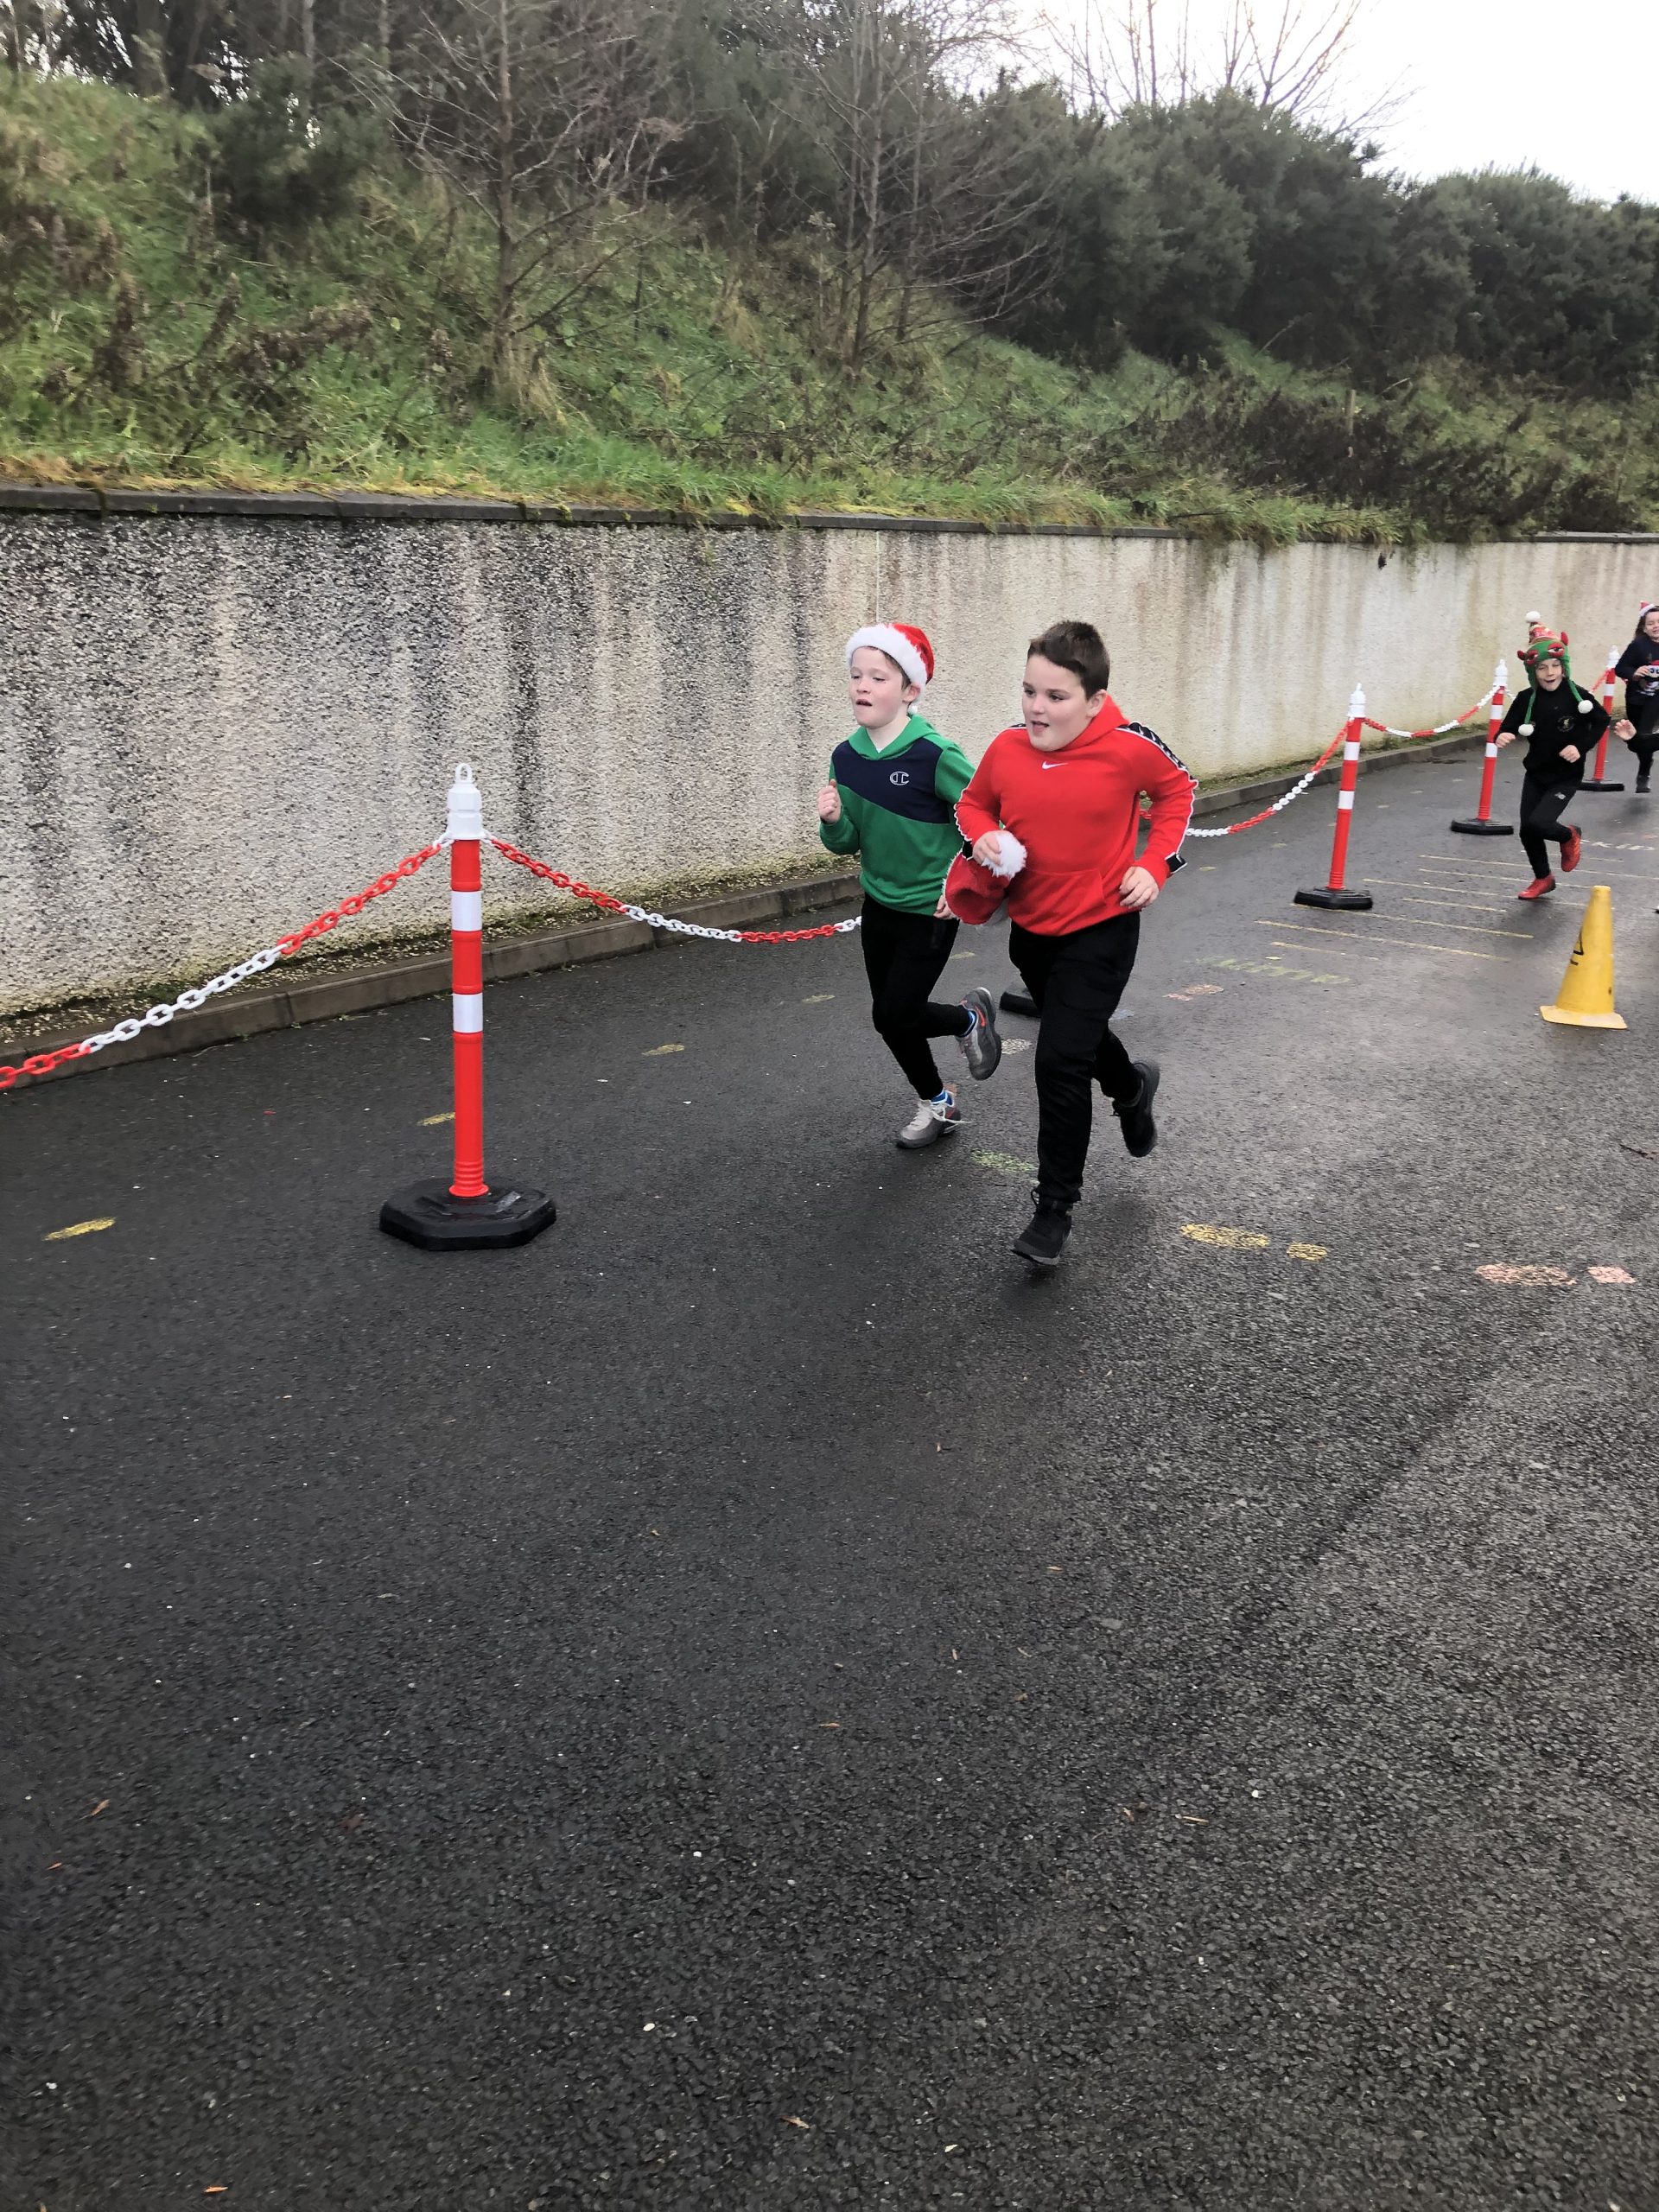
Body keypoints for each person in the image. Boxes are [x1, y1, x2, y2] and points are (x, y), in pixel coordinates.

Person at [946, 619, 1196, 1269]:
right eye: (1029, 691)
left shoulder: (1130, 745)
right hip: (1033, 933)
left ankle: (1053, 1208)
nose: (1037, 707)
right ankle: (1131, 1088)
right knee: (1075, 1037)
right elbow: (971, 805)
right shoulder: (1007, 749)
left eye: (1056, 696)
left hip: (1104, 929)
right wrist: (982, 834)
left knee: (1058, 1060)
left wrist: (1156, 864)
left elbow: (1178, 791)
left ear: (1093, 700)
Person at [817, 622, 1001, 1148]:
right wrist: (833, 821)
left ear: (910, 690)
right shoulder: (845, 757)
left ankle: (968, 1020)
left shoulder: (935, 755)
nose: (862, 686)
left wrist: (964, 883)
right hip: (879, 904)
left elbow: (986, 819)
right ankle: (940, 1100)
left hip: (932, 908)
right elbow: (848, 842)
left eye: (878, 677)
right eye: (856, 675)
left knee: (894, 1013)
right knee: (892, 1019)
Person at [1495, 630, 1623, 898]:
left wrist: (1580, 746)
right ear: (1533, 671)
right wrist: (1503, 735)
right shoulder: (1526, 699)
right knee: (1528, 830)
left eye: (1555, 666)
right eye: (1542, 668)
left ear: (1563, 667)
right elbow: (1508, 725)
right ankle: (1543, 879)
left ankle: (1569, 835)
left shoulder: (1577, 697)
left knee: (1540, 823)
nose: (1549, 672)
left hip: (1566, 776)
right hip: (1536, 773)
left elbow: (1601, 720)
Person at [1614, 603, 1659, 794]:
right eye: (1651, 623)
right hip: (1637, 698)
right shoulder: (1638, 646)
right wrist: (1634, 672)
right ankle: (1645, 765)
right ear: (1644, 628)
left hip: (1656, 699)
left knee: (1645, 733)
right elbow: (1620, 668)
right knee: (1638, 738)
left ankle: (1643, 774)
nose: (1656, 626)